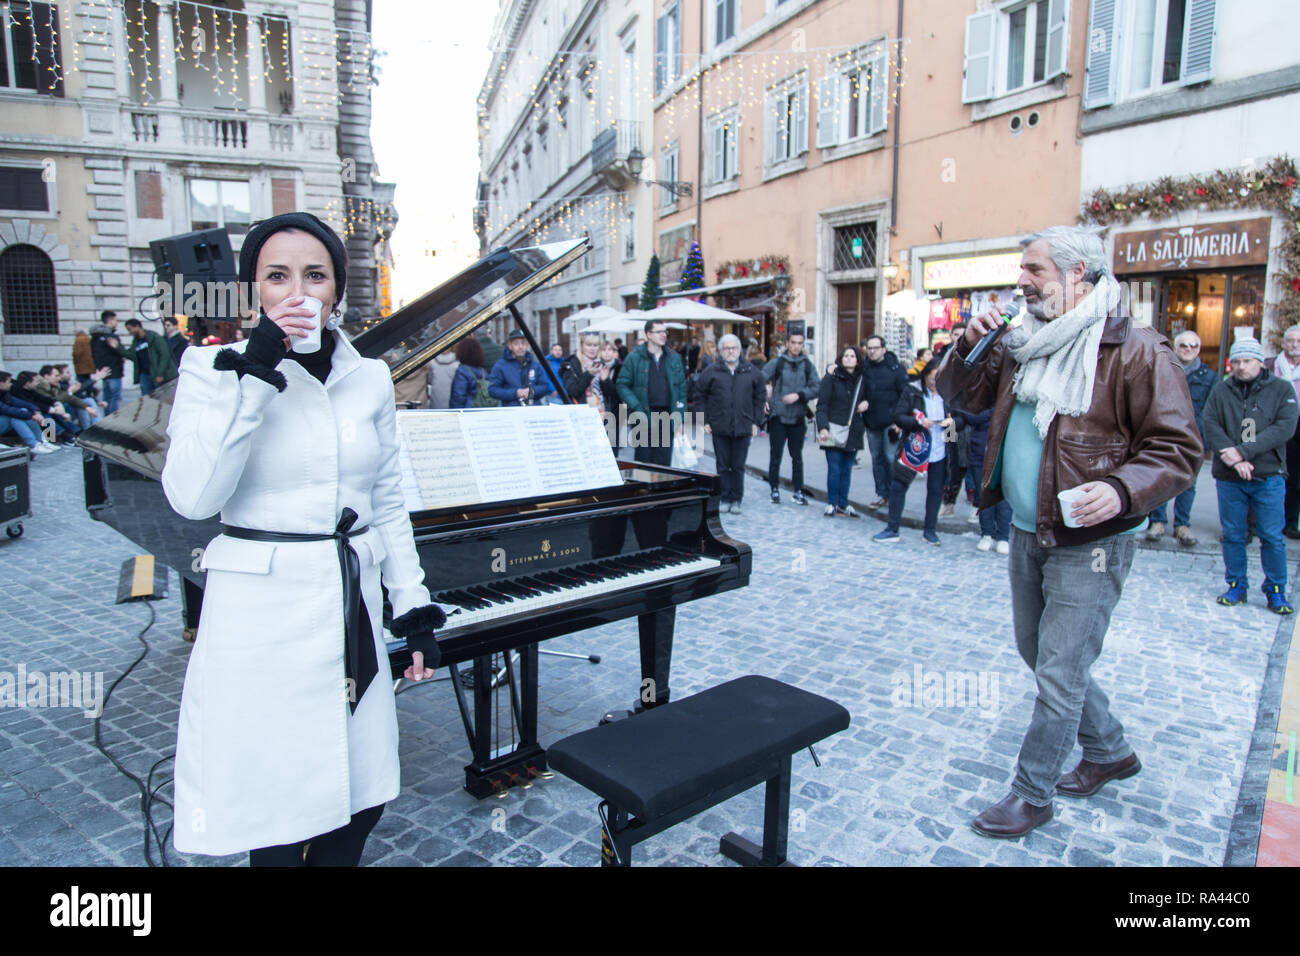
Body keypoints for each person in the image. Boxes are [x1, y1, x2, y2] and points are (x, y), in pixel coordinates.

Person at [160, 211, 442, 866]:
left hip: (351, 606)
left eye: (315, 275)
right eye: (277, 275)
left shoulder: (368, 376)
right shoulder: (213, 370)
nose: (298, 291)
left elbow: (387, 498)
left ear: (336, 290)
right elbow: (194, 497)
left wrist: (414, 606)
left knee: (363, 796)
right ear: (252, 288)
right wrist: (257, 372)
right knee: (278, 809)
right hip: (261, 617)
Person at [937, 225, 1200, 839]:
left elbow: (1179, 449)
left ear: (1076, 273)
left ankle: (1033, 792)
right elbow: (957, 395)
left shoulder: (1136, 348)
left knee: (1059, 670)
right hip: (1027, 529)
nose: (1020, 281)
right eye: (1021, 269)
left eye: (1034, 270)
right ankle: (1109, 750)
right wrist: (966, 346)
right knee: (1040, 653)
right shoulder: (1019, 341)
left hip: (1093, 543)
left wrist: (1119, 490)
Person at [1203, 337, 1298, 612]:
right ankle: (1236, 586)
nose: (1241, 367)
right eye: (1237, 361)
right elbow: (1210, 424)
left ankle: (1276, 590)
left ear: (1259, 361)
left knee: (1271, 536)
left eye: (1247, 361)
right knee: (1233, 534)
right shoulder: (1222, 390)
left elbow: (1284, 428)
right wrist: (1233, 459)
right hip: (1230, 477)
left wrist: (1243, 452)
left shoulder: (1281, 389)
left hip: (1267, 475)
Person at [1146, 330, 1219, 545]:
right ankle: (1157, 521)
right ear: (1175, 348)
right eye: (1183, 345)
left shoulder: (1210, 377)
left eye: (1193, 346)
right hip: (1162, 433)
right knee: (1160, 479)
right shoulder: (1160, 370)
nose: (1188, 349)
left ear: (1199, 349)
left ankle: (1182, 525)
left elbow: (1209, 411)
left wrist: (1203, 440)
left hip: (1191, 438)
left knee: (1188, 482)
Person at [872, 359, 952, 545]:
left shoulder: (947, 394)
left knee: (935, 491)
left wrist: (951, 427)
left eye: (938, 379)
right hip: (914, 448)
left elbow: (956, 422)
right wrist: (919, 422)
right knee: (899, 486)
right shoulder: (912, 391)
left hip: (939, 449)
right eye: (932, 378)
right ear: (925, 375)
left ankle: (930, 531)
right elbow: (899, 417)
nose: (935, 382)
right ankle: (892, 528)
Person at [695, 334, 766, 513]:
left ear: (740, 350)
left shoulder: (751, 371)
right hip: (719, 425)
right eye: (726, 348)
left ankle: (737, 498)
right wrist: (704, 420)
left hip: (743, 425)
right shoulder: (711, 371)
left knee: (738, 465)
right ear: (721, 351)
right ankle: (725, 497)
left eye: (733, 348)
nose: (730, 351)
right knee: (722, 464)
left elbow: (760, 398)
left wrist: (757, 422)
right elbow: (699, 396)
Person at [616, 319, 686, 467]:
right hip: (643, 416)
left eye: (665, 331)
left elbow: (681, 390)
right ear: (648, 334)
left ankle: (662, 490)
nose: (664, 335)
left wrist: (679, 417)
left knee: (664, 464)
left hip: (667, 416)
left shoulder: (674, 358)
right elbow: (622, 384)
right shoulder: (634, 358)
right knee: (644, 463)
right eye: (659, 332)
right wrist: (636, 406)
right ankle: (643, 491)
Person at [761, 332, 819, 505]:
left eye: (799, 343)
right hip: (778, 416)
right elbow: (758, 379)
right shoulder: (777, 363)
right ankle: (774, 489)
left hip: (797, 418)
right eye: (793, 342)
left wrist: (800, 395)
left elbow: (817, 387)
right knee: (776, 455)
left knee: (797, 457)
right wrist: (765, 395)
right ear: (787, 343)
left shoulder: (807, 366)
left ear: (803, 345)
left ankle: (798, 490)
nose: (796, 346)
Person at [815, 345, 868, 517]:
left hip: (853, 431)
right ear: (840, 358)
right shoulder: (831, 378)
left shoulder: (862, 380)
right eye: (846, 355)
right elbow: (821, 405)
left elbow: (870, 398)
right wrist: (823, 427)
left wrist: (867, 404)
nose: (849, 358)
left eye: (853, 356)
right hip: (832, 429)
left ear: (858, 359)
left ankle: (843, 503)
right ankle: (831, 503)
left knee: (847, 470)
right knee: (834, 468)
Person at [861, 336, 909, 510]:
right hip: (871, 421)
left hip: (891, 422)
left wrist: (900, 420)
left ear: (884, 349)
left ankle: (895, 495)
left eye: (875, 348)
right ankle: (882, 494)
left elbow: (906, 395)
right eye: (869, 348)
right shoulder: (864, 368)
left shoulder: (896, 369)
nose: (872, 351)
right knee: (877, 459)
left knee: (891, 459)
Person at [1264, 324, 1300, 539]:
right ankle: (1260, 524)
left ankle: (1290, 523)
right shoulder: (1270, 366)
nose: (1295, 345)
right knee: (1266, 475)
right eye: (1291, 341)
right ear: (1283, 343)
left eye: (1298, 341)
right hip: (1270, 427)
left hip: (1298, 431)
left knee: (1295, 480)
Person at [488, 329, 552, 407]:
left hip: (533, 410)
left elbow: (544, 386)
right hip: (511, 411)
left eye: (523, 343)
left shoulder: (535, 365)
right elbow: (493, 390)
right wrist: (516, 393)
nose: (520, 347)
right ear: (510, 345)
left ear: (527, 345)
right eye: (516, 344)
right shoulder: (500, 366)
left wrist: (533, 391)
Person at [116, 319, 178, 396]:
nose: (129, 332)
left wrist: (160, 374)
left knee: (162, 399)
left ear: (137, 326)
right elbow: (132, 355)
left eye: (130, 329)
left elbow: (164, 355)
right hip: (145, 375)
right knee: (147, 399)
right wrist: (117, 348)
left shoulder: (154, 337)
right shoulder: (136, 342)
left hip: (158, 374)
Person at [0, 371, 57, 453]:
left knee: (24, 410)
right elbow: (6, 410)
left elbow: (21, 403)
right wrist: (32, 416)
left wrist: (35, 411)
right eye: (8, 382)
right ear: (1, 383)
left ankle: (41, 441)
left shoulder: (5, 394)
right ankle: (34, 445)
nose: (11, 384)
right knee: (14, 416)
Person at [558, 332, 611, 413]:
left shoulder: (601, 363)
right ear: (581, 346)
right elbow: (573, 390)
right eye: (589, 345)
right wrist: (589, 374)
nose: (592, 349)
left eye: (595, 345)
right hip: (581, 412)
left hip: (602, 412)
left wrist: (606, 381)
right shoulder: (571, 364)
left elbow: (609, 395)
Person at [89, 310, 125, 414]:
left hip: (103, 371)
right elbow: (120, 351)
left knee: (107, 397)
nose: (116, 323)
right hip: (114, 370)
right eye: (115, 320)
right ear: (111, 320)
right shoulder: (111, 337)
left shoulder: (95, 338)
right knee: (115, 397)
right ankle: (113, 418)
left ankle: (107, 418)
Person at [449, 335, 491, 408]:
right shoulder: (483, 371)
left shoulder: (462, 371)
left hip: (467, 411)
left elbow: (458, 396)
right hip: (483, 410)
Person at [598, 340, 624, 453]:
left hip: (615, 410)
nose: (607, 353)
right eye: (604, 350)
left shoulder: (620, 367)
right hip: (599, 410)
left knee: (613, 445)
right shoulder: (596, 366)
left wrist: (606, 380)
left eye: (610, 350)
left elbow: (618, 392)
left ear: (614, 352)